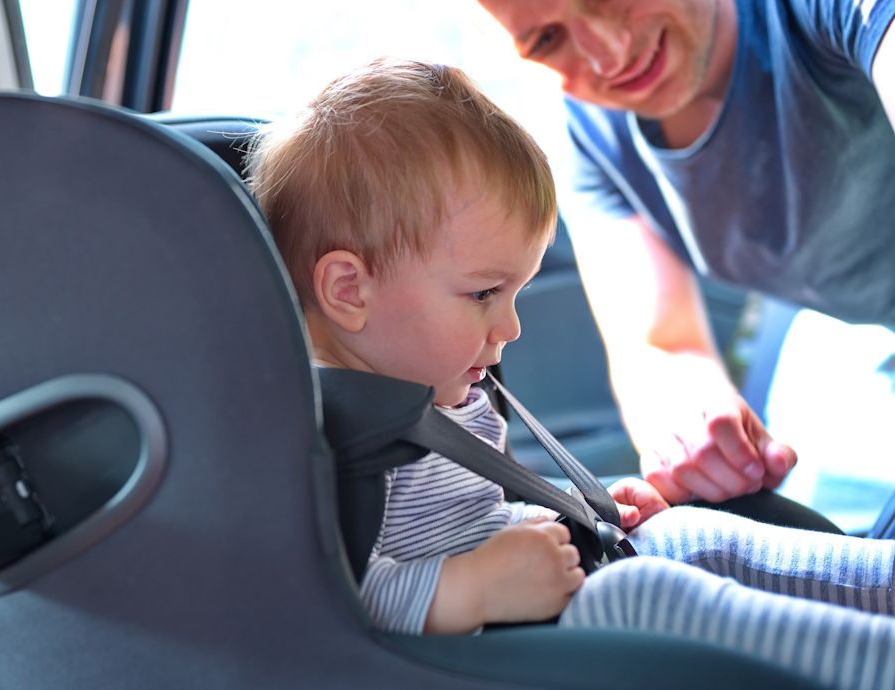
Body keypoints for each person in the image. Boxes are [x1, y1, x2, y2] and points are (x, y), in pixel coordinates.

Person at [245, 57, 895, 688]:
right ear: (348, 290)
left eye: (514, 294)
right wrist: (471, 587)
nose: (511, 328)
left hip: (537, 589)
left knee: (688, 534)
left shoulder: (437, 386)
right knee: (649, 592)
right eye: (482, 295)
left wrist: (576, 511)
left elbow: (480, 513)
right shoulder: (326, 433)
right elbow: (325, 602)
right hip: (481, 646)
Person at [470, 0, 895, 515]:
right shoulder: (590, 133)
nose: (610, 56)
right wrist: (699, 437)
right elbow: (663, 346)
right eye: (547, 41)